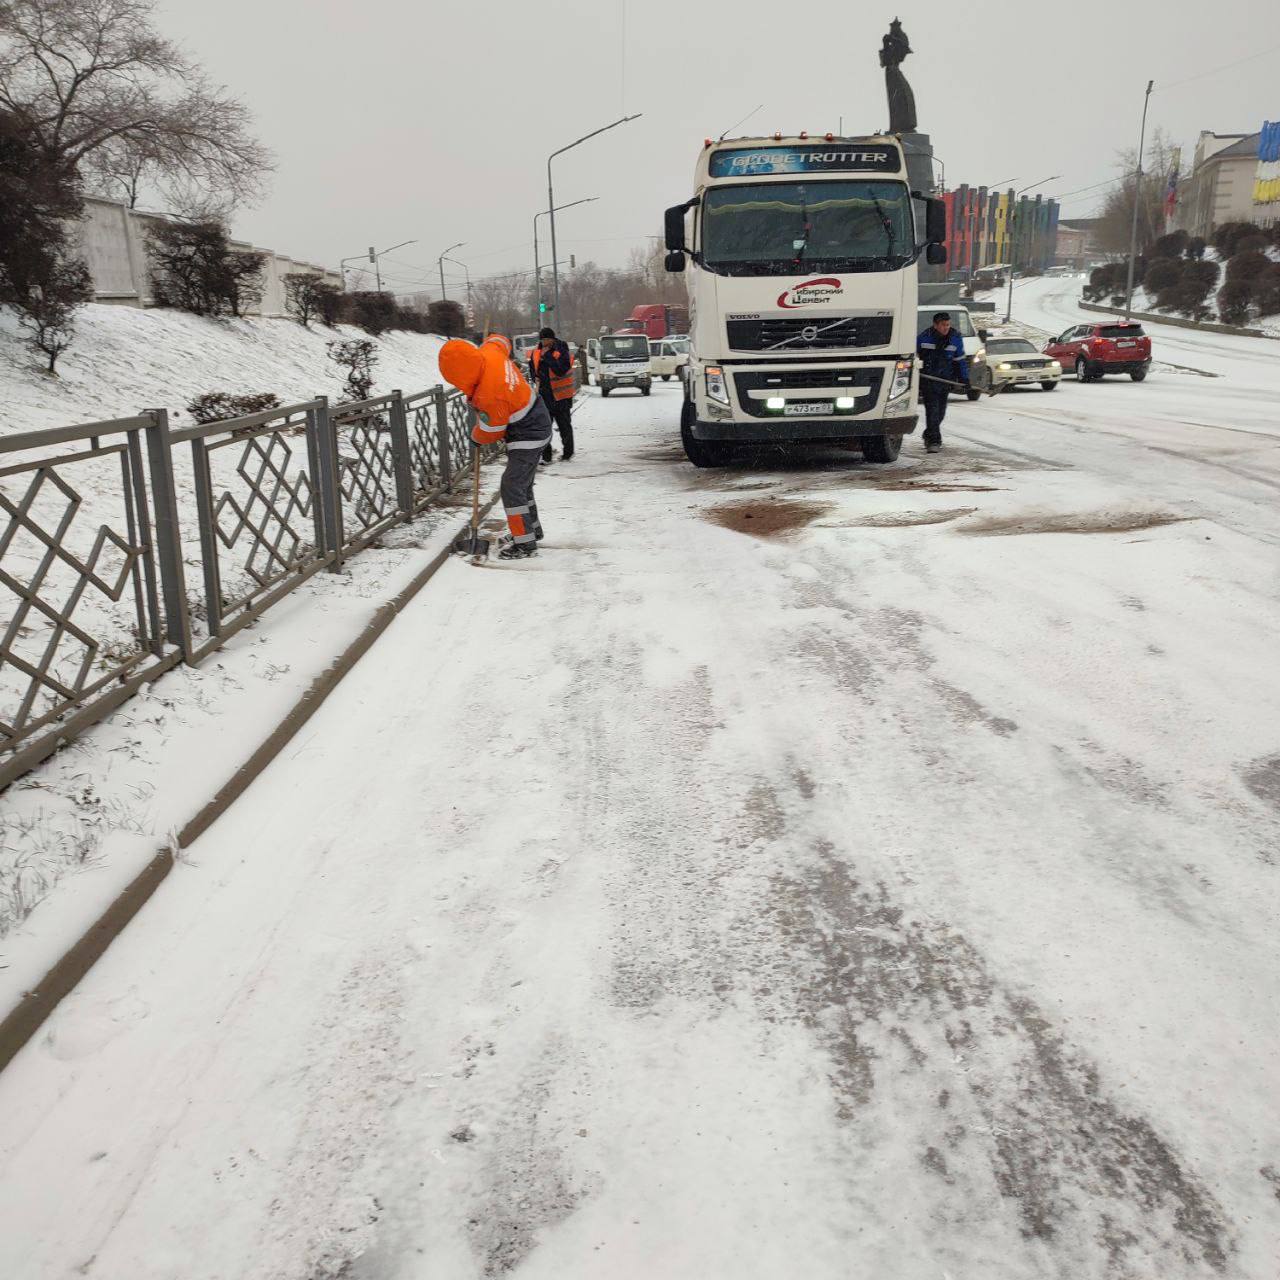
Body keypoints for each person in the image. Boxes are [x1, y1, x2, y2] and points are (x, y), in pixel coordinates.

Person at [438, 334, 552, 560]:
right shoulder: (489, 352)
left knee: (511, 485)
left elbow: (492, 430)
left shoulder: (490, 394)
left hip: (527, 431)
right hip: (537, 416)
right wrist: (489, 341)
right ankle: (530, 531)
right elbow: (500, 340)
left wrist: (476, 437)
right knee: (521, 485)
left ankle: (525, 545)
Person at [916, 311, 968, 453]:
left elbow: (960, 360)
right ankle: (934, 441)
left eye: (948, 325)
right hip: (928, 381)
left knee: (940, 413)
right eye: (943, 325)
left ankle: (929, 433)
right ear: (935, 325)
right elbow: (914, 356)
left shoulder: (955, 338)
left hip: (945, 380)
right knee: (932, 411)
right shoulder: (924, 337)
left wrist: (964, 378)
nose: (946, 328)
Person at [528, 326, 575, 463]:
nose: (544, 342)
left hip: (561, 397)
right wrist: (535, 376)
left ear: (553, 339)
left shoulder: (561, 349)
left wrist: (547, 356)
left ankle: (567, 454)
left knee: (564, 426)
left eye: (547, 339)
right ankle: (546, 456)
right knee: (544, 427)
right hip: (544, 396)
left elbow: (561, 369)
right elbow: (532, 368)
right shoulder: (536, 352)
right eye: (542, 340)